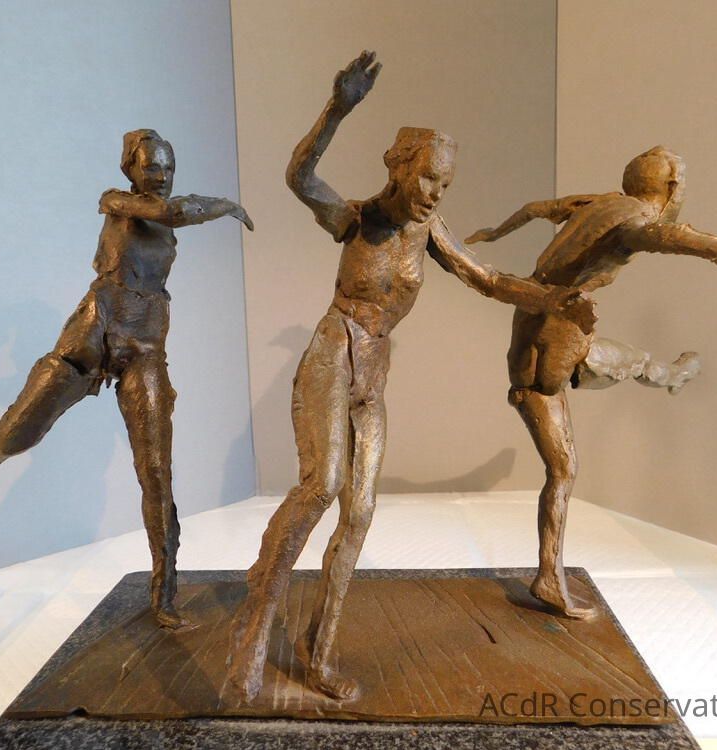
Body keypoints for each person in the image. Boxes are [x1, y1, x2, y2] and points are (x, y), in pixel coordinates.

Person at [225, 52, 589, 704]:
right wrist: (337, 108)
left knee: (360, 512)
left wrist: (551, 298)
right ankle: (255, 624)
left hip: (374, 371)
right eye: (426, 178)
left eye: (444, 185)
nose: (434, 194)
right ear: (398, 169)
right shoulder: (359, 219)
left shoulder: (429, 231)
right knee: (321, 486)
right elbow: (299, 176)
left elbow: (487, 279)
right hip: (332, 353)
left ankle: (319, 652)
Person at [0, 129, 253, 629]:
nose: (161, 176)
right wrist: (228, 206)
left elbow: (173, 215)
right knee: (20, 432)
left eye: (168, 168)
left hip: (146, 343)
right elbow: (171, 211)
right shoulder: (117, 202)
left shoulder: (166, 222)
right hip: (93, 331)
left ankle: (164, 590)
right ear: (130, 170)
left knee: (156, 470)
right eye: (151, 167)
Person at [465, 145, 717, 618]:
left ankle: (668, 373)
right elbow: (661, 236)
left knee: (585, 394)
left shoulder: (600, 202)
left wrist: (494, 232)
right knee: (564, 465)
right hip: (558, 334)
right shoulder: (635, 220)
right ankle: (549, 577)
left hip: (533, 323)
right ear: (672, 188)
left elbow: (533, 208)